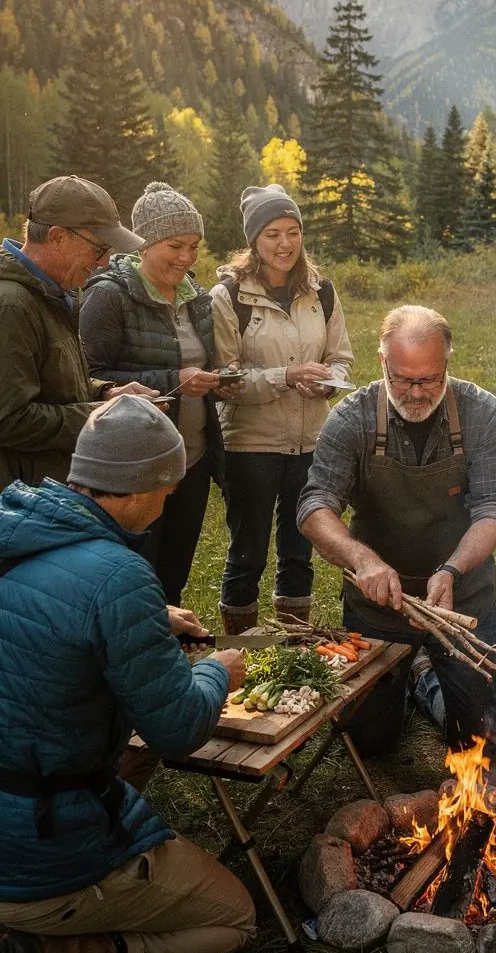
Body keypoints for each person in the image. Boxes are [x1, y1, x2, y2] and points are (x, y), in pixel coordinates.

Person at [0, 396, 252, 953]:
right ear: (138, 487)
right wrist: (214, 671)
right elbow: (176, 730)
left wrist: (146, 621)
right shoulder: (118, 576)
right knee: (235, 916)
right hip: (38, 846)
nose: (170, 499)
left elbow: (51, 621)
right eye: (167, 487)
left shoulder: (18, 525)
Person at [297, 304, 496, 756]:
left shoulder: (482, 412)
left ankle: (425, 678)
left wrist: (451, 570)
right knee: (369, 743)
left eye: (429, 379)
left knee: (483, 744)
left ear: (447, 365)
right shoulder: (350, 418)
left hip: (460, 602)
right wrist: (363, 560)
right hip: (379, 605)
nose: (416, 393)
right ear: (383, 363)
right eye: (403, 379)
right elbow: (315, 506)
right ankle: (414, 676)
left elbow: (492, 508)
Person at [79, 181, 235, 605]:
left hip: (191, 459)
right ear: (145, 243)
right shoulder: (109, 295)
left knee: (174, 573)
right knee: (134, 576)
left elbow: (201, 365)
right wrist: (175, 379)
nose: (186, 258)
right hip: (133, 468)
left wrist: (219, 379)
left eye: (195, 247)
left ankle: (172, 657)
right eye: (175, 245)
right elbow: (89, 378)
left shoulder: (196, 298)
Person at [210, 183, 353, 633]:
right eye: (273, 233)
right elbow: (224, 380)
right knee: (247, 553)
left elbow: (343, 358)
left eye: (293, 232)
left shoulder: (321, 291)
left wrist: (327, 383)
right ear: (254, 239)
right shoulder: (228, 296)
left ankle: (292, 653)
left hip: (311, 441)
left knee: (299, 550)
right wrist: (286, 377)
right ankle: (239, 658)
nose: (285, 243)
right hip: (250, 444)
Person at [0, 175, 158, 491]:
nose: (104, 261)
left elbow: (48, 382)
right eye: (98, 248)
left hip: (44, 491)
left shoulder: (54, 293)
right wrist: (103, 414)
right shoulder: (13, 305)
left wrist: (104, 393)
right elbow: (10, 421)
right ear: (58, 237)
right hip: (22, 504)